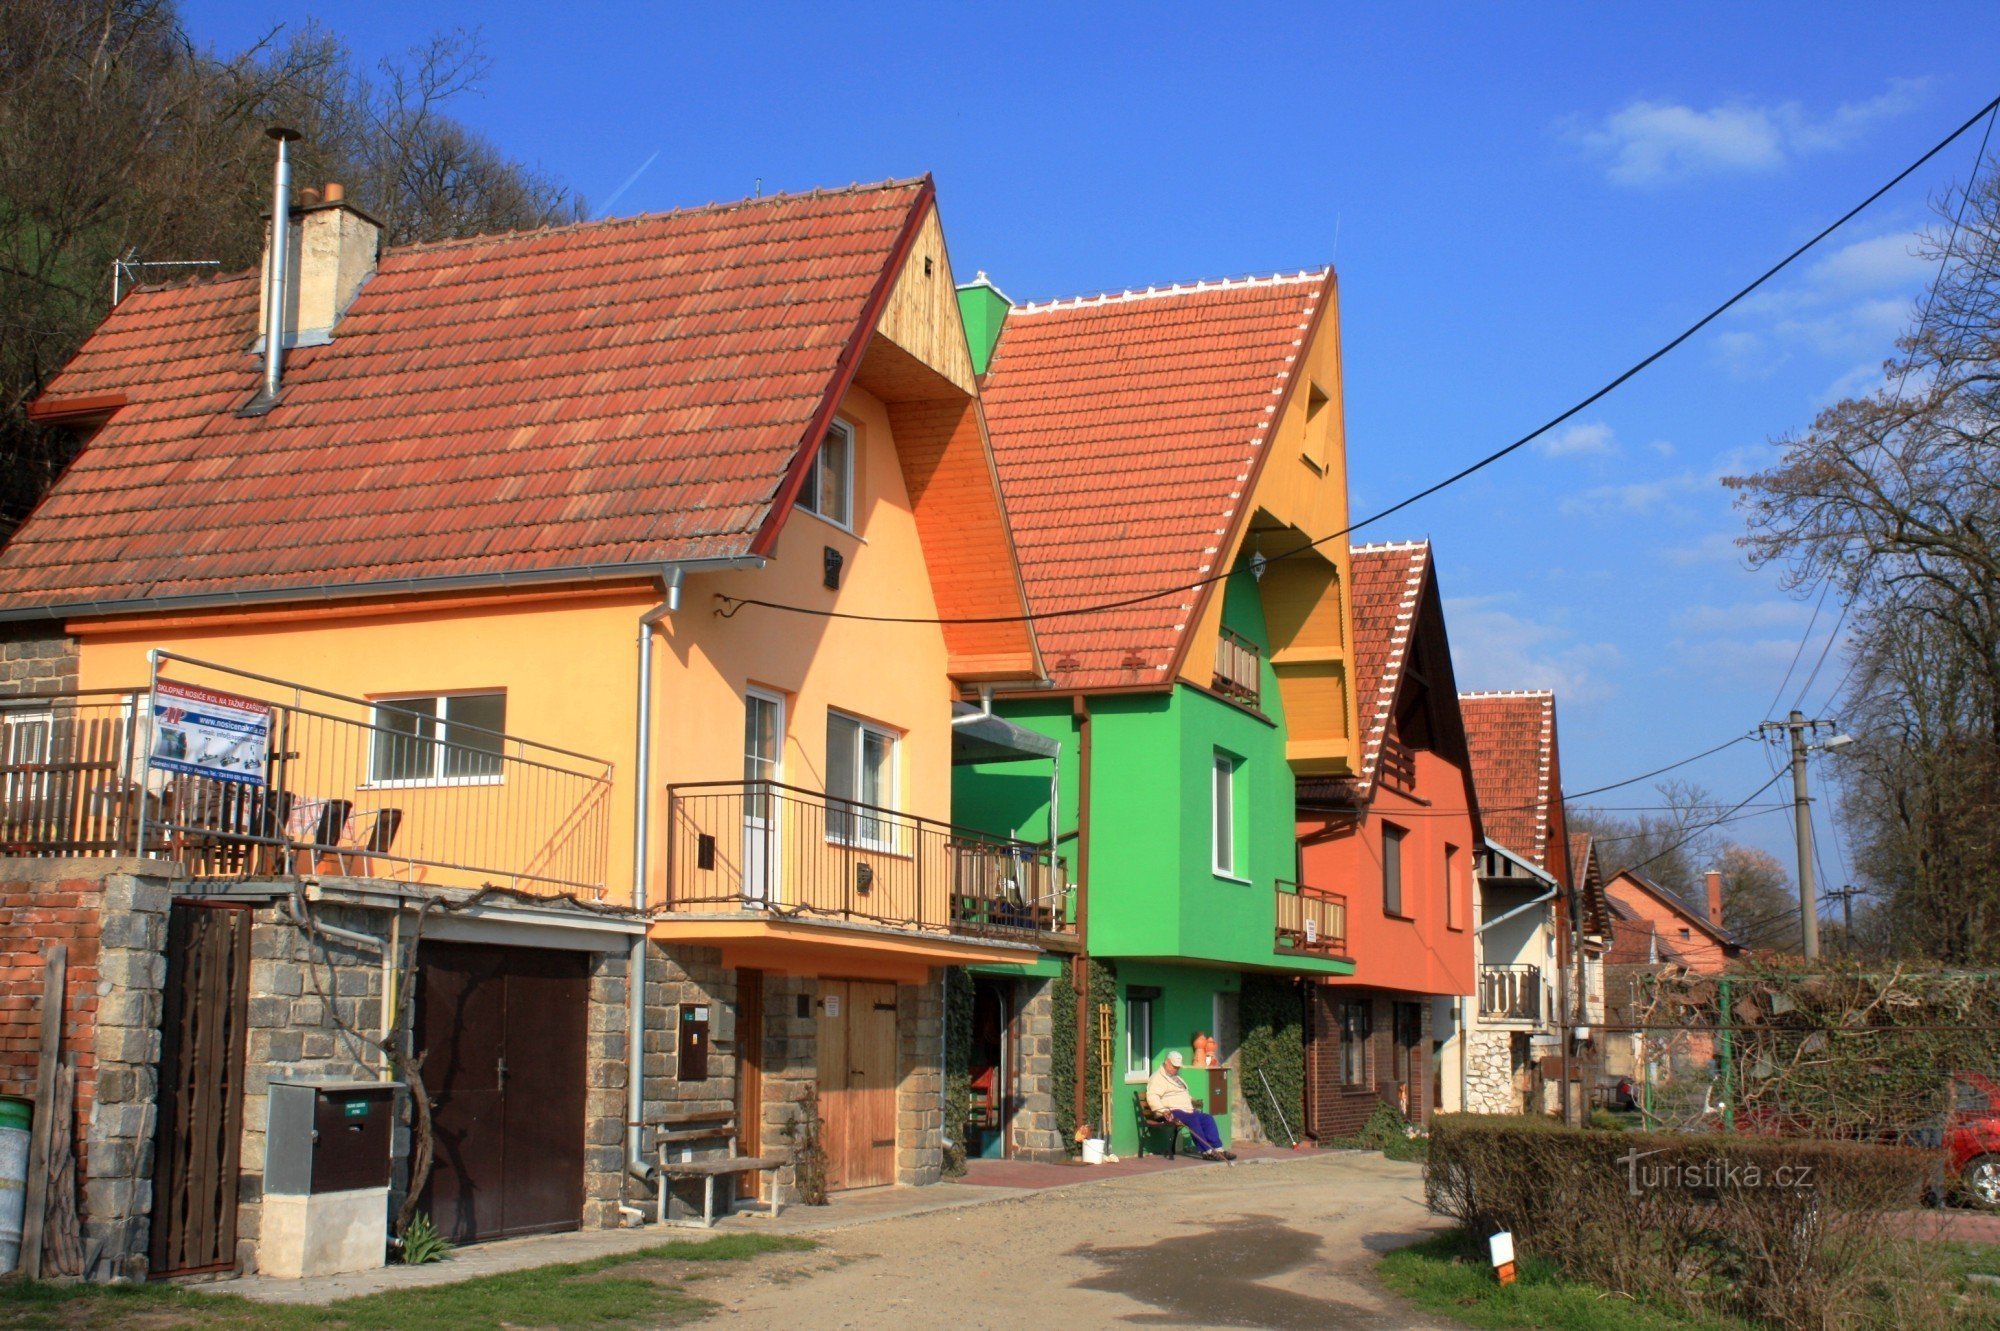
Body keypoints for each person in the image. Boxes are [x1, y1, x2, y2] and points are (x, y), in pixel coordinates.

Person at [1146, 1050, 1235, 1161]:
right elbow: (1152, 1096)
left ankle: (1218, 1149)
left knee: (1207, 1118)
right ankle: (1207, 1151)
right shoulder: (1157, 1078)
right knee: (1192, 1119)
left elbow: (1182, 1093)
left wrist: (1192, 1100)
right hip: (1171, 1111)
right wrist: (1162, 1110)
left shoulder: (1176, 1077)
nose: (1176, 1069)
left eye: (1178, 1067)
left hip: (1187, 1110)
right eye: (1174, 1066)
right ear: (1167, 1062)